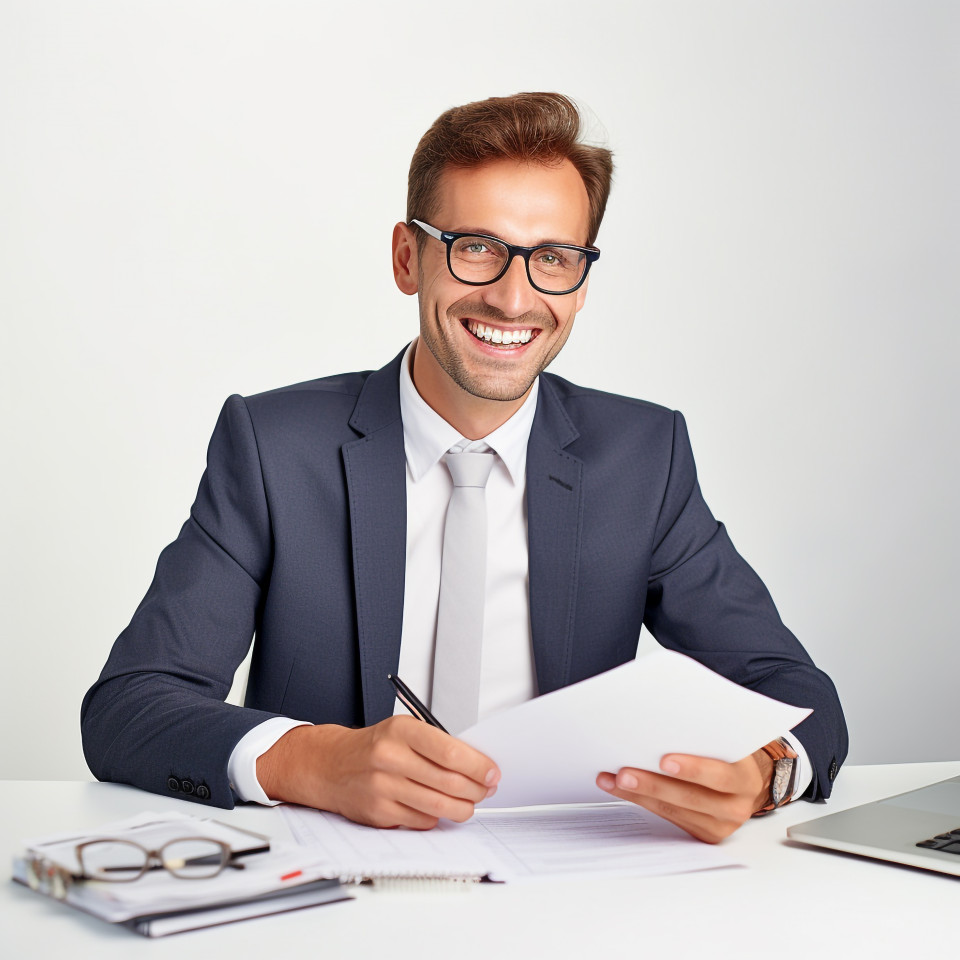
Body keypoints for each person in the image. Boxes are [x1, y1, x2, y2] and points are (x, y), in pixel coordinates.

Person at [81, 92, 847, 843]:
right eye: (477, 247)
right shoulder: (273, 446)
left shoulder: (645, 457)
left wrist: (765, 773)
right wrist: (313, 760)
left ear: (581, 284)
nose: (515, 298)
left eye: (552, 258)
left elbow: (798, 697)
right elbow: (129, 707)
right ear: (408, 257)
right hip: (331, 896)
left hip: (576, 892)